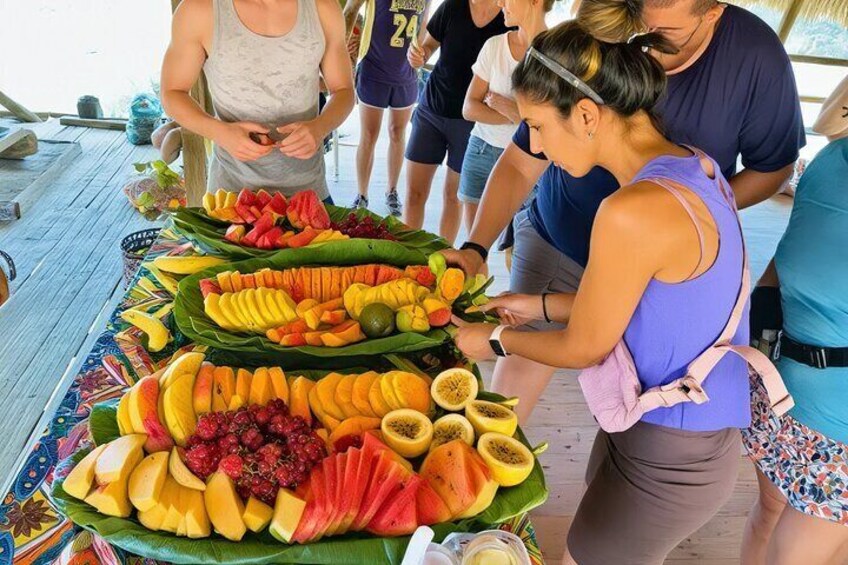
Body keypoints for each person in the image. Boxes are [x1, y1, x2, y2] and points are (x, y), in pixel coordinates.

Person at [452, 20, 756, 563]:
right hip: (666, 426)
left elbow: (583, 348)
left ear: (588, 115)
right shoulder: (696, 166)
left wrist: (492, 340)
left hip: (672, 450)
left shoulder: (630, 211)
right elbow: (653, 305)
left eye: (539, 127)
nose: (538, 146)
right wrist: (536, 304)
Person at [443, 0, 805, 423]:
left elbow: (771, 167)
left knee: (643, 402)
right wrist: (475, 247)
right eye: (634, 14)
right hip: (561, 240)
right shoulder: (607, 19)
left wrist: (677, 222)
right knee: (507, 404)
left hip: (661, 270)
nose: (640, 36)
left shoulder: (753, 57)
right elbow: (523, 158)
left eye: (661, 33)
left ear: (712, 12)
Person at [741, 77, 848, 565]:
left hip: (840, 427)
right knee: (767, 509)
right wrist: (756, 357)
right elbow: (782, 267)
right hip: (783, 391)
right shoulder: (830, 165)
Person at [161, 0, 355, 201]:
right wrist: (220, 132)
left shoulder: (323, 8)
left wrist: (320, 127)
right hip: (231, 192)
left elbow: (344, 90)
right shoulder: (199, 10)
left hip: (307, 190)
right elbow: (173, 92)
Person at [404, 0, 509, 244]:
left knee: (453, 196)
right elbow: (429, 44)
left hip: (471, 121)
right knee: (414, 193)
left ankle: (443, 260)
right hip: (432, 109)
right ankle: (408, 259)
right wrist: (420, 55)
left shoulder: (508, 17)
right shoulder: (452, 6)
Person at [458, 0, 549, 232]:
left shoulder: (559, 54)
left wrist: (504, 106)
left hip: (531, 161)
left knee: (519, 246)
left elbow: (553, 125)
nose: (500, 3)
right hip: (481, 149)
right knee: (474, 247)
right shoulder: (494, 45)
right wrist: (519, 116)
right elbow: (469, 108)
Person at [343, 0, 428, 215]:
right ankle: (362, 194)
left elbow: (424, 25)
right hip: (374, 69)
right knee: (369, 135)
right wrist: (344, 41)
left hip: (405, 73)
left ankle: (392, 190)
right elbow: (351, 9)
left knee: (397, 132)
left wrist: (422, 54)